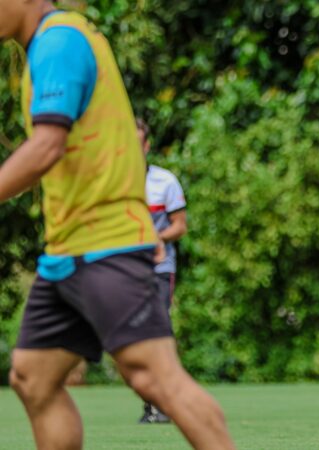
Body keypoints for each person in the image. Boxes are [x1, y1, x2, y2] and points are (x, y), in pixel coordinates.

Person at [0, 2, 235, 449]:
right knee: (33, 377)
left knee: (155, 377)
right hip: (68, 249)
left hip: (108, 243)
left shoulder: (59, 42)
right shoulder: (52, 43)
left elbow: (46, 146)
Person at [136, 119, 189, 424]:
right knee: (135, 336)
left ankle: (168, 402)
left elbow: (180, 226)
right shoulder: (111, 182)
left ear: (147, 146)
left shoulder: (164, 181)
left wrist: (157, 238)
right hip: (125, 270)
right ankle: (152, 403)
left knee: (159, 330)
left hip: (159, 267)